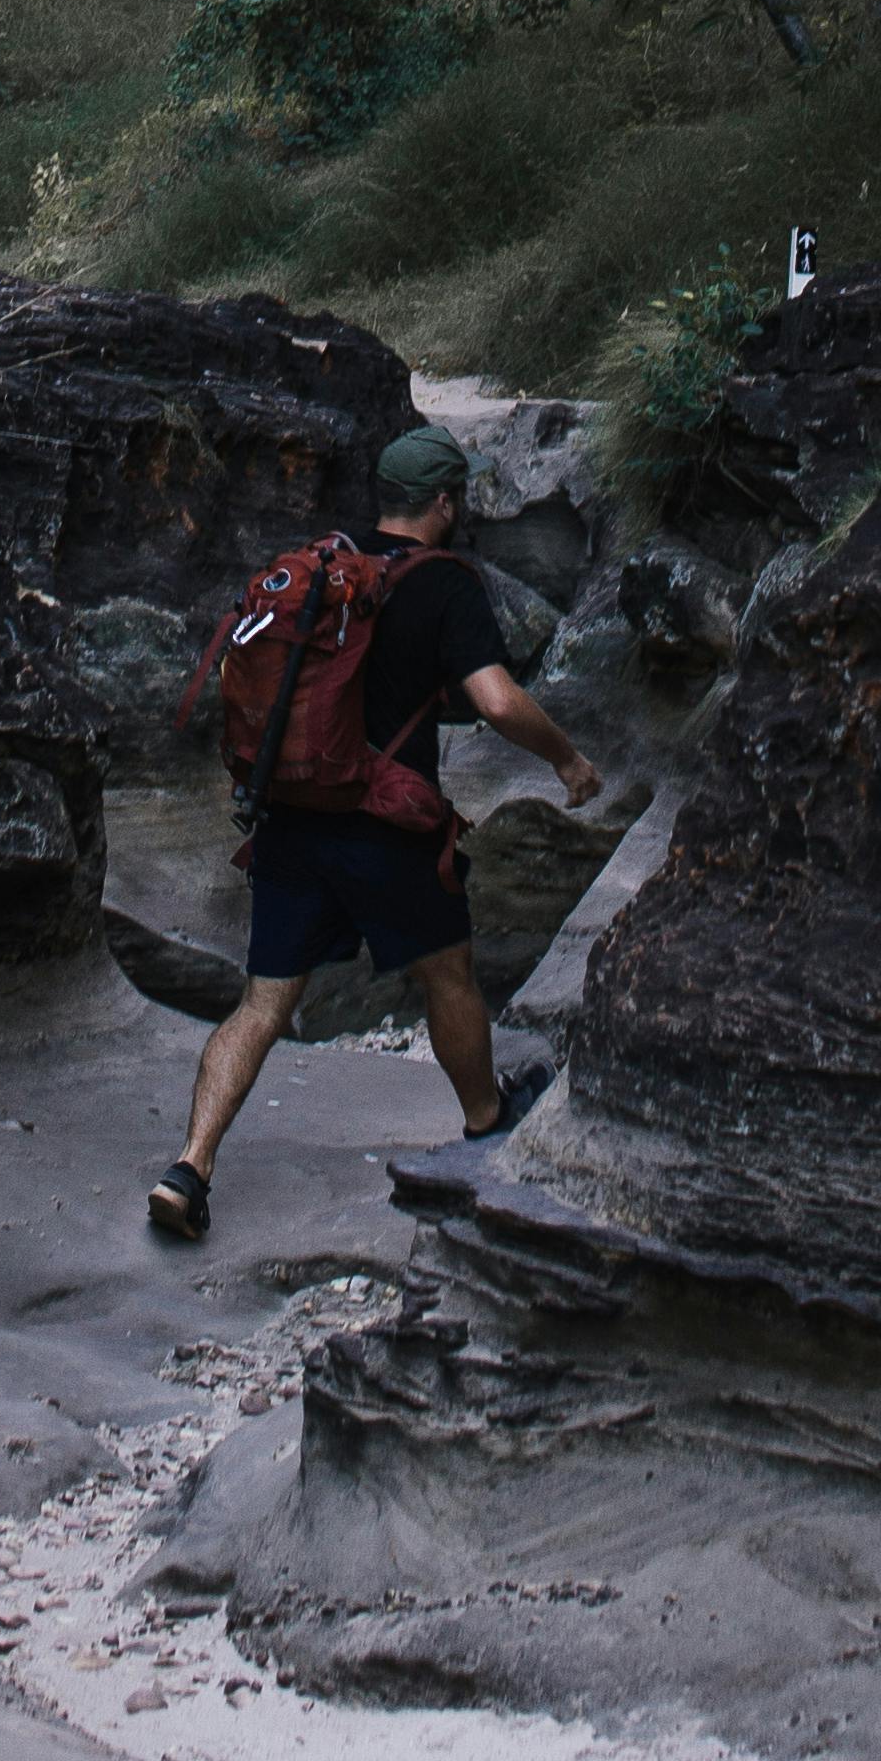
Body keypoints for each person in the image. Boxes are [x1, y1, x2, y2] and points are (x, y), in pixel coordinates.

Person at [146, 421, 601, 1243]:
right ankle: (485, 1124)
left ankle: (189, 1167)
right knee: (449, 975)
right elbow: (496, 701)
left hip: (291, 821)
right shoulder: (445, 585)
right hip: (386, 828)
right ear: (445, 502)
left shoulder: (322, 570)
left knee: (261, 1004)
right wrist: (567, 760)